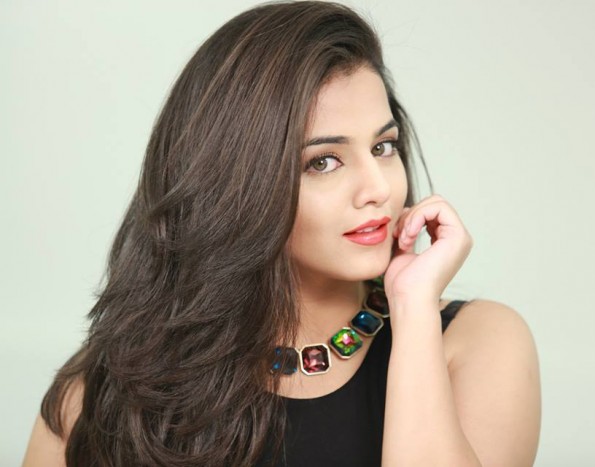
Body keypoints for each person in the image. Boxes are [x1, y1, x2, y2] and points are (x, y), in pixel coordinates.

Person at [22, 1, 541, 466]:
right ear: (232, 183)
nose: (378, 189)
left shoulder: (477, 343)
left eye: (383, 147)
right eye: (323, 161)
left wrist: (413, 309)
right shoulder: (102, 390)